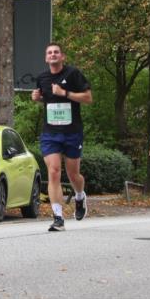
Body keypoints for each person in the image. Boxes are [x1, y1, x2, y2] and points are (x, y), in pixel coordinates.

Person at [32, 43, 93, 232]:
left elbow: (88, 98)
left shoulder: (73, 74)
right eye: (49, 52)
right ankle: (58, 217)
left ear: (62, 56)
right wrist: (37, 98)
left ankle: (80, 196)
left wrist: (65, 93)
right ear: (46, 58)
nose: (53, 54)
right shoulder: (42, 78)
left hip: (72, 132)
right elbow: (47, 99)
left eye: (56, 52)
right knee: (53, 171)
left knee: (74, 174)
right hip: (50, 133)